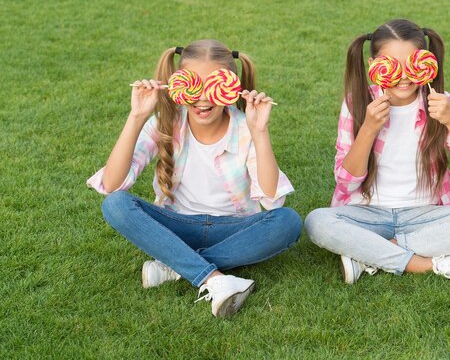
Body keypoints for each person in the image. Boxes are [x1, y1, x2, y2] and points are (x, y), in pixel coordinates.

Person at [87, 39, 301, 317]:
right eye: (193, 84)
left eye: (213, 85)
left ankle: (175, 264)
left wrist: (260, 132)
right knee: (115, 204)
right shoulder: (166, 122)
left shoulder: (244, 127)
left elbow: (272, 199)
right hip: (178, 226)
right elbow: (113, 184)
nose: (202, 98)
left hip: (234, 227)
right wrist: (137, 116)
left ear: (230, 86)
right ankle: (214, 278)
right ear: (179, 83)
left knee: (288, 222)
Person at [305, 19, 450, 284]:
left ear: (425, 62)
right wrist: (369, 128)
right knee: (317, 222)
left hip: (424, 215)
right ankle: (427, 264)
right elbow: (346, 181)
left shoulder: (442, 103)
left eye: (411, 64)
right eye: (392, 66)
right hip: (366, 213)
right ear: (375, 66)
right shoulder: (358, 102)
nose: (404, 76)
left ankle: (368, 254)